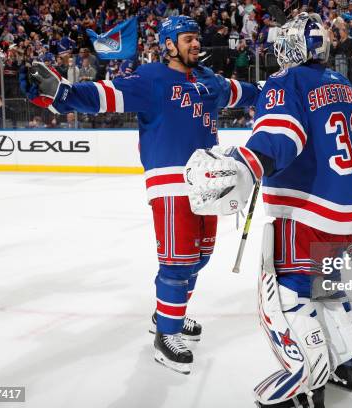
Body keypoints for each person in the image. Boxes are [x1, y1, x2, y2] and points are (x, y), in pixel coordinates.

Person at [183, 12, 352, 407]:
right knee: (328, 292)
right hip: (341, 217)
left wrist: (246, 163)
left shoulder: (285, 81)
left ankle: (303, 383)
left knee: (287, 297)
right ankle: (345, 362)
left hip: (302, 213)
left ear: (292, 46)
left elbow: (282, 133)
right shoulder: (340, 85)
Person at [20, 16, 259, 375]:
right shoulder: (151, 79)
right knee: (177, 261)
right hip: (169, 183)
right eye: (189, 39)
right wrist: (62, 94)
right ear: (168, 45)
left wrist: (281, 88)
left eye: (197, 38)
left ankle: (167, 312)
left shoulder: (210, 81)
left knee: (201, 257)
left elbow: (250, 92)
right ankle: (167, 335)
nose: (197, 44)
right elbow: (103, 95)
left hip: (210, 182)